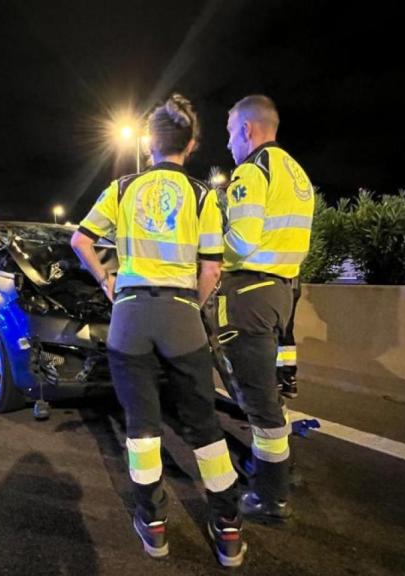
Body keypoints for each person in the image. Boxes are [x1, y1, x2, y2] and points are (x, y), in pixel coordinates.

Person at [71, 94, 245, 568]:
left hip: (130, 315)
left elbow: (81, 240)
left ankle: (153, 525)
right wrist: (191, 306)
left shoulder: (123, 188)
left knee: (142, 428)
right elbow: (211, 269)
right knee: (204, 426)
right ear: (190, 146)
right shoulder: (203, 196)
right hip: (181, 314)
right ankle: (228, 530)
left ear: (149, 143)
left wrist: (107, 280)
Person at [216, 95, 315, 523]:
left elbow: (240, 242)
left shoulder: (252, 171)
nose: (228, 144)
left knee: (257, 401)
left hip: (250, 295)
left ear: (247, 130)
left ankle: (269, 497)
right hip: (282, 292)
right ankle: (280, 469)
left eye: (229, 134)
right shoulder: (296, 172)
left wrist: (207, 256)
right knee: (269, 393)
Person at [276, 278, 301, 398]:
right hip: (292, 286)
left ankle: (275, 377)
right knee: (286, 331)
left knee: (271, 331)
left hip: (275, 286)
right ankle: (288, 377)